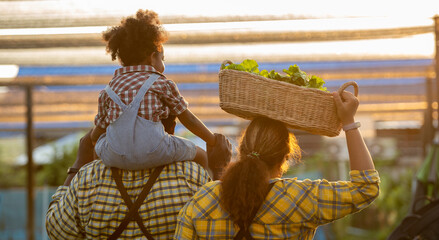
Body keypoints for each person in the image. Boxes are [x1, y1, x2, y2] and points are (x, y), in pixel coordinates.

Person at [174, 91, 380, 239]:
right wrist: (349, 122)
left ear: (242, 150)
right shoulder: (299, 198)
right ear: (285, 157)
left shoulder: (203, 199)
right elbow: (366, 187)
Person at [45, 114, 232, 239]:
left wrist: (78, 163)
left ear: (113, 127)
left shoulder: (88, 178)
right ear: (172, 128)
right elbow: (219, 229)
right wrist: (218, 169)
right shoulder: (191, 175)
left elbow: (56, 231)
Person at [90, 9, 215, 171]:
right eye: (162, 58)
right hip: (155, 150)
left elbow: (99, 130)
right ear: (152, 56)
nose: (163, 64)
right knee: (201, 155)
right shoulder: (162, 84)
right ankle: (203, 190)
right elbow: (188, 119)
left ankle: (98, 181)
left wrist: (94, 142)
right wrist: (212, 140)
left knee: (98, 151)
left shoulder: (108, 91)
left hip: (115, 155)